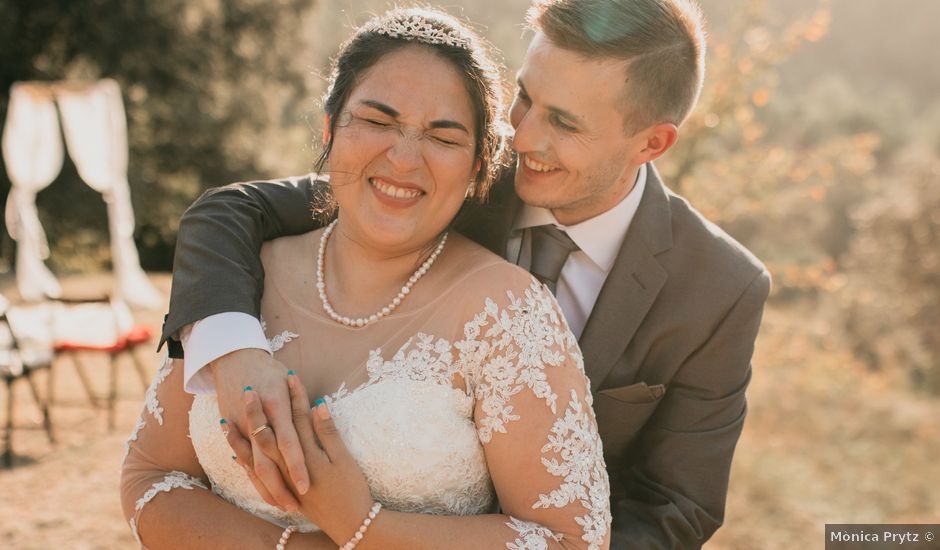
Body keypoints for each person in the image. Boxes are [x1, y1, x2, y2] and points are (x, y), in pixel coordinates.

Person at [161, 0, 771, 548]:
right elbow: (233, 210)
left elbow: (676, 509)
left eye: (564, 122)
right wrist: (234, 347)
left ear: (651, 143)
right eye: (525, 96)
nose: (521, 134)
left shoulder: (720, 288)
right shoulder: (450, 170)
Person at [121, 8, 612, 550]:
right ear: (330, 128)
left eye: (443, 138)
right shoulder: (238, 279)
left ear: (479, 167)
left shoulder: (508, 314)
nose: (403, 158)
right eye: (378, 122)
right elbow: (150, 479)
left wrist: (365, 528)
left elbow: (572, 540)